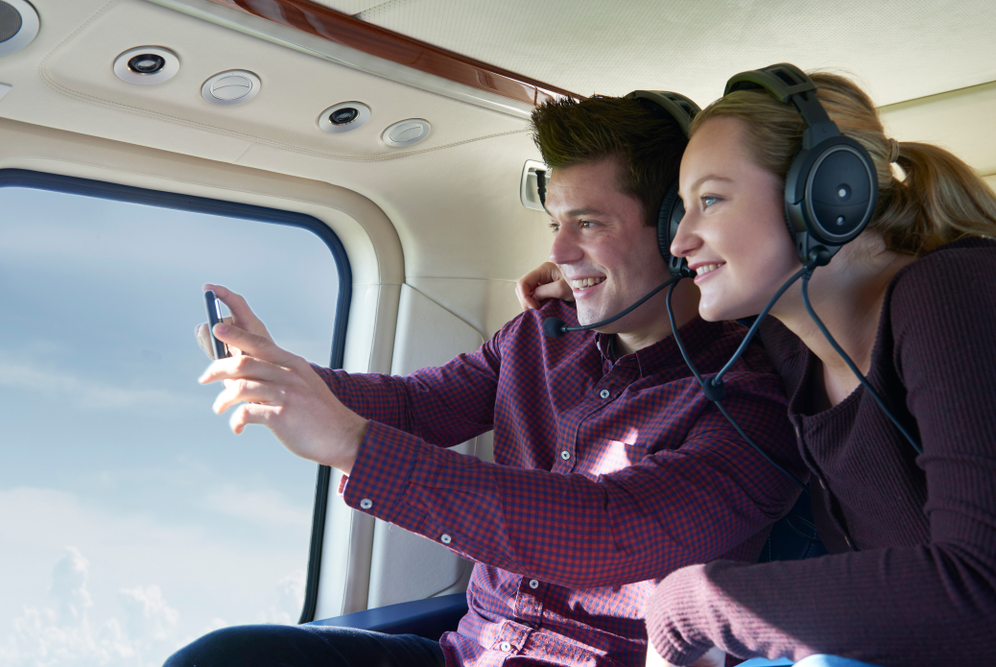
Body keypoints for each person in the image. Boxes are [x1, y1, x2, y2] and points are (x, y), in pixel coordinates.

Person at [165, 94, 804, 667]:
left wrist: (354, 445)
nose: (558, 252)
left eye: (588, 222)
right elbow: (419, 406)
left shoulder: (753, 402)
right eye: (554, 222)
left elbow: (607, 530)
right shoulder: (538, 334)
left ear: (674, 233)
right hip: (467, 652)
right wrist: (288, 377)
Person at [519, 67, 996, 667]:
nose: (679, 240)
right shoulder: (787, 338)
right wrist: (584, 274)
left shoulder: (956, 295)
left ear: (829, 193)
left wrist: (688, 604)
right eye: (680, 211)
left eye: (711, 200)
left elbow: (982, 589)